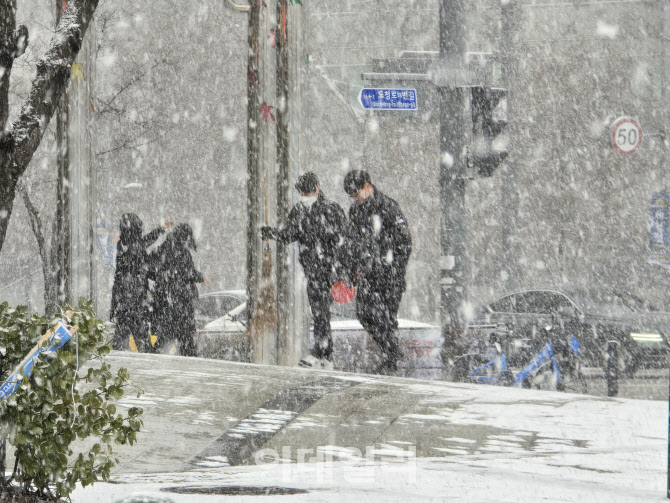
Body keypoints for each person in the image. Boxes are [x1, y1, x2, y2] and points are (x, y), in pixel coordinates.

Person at [261, 172, 348, 370]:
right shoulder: (299, 211)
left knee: (321, 312)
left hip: (328, 270)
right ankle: (324, 355)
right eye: (302, 193)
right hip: (312, 270)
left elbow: (343, 240)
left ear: (317, 189)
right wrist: (273, 233)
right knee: (319, 312)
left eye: (308, 192)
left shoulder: (331, 210)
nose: (305, 196)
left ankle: (321, 353)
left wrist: (339, 267)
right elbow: (289, 234)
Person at [343, 170, 412, 374]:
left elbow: (405, 242)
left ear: (367, 186)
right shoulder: (355, 212)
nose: (356, 199)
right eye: (352, 197)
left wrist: (391, 267)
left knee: (386, 318)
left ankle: (392, 362)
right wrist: (351, 268)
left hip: (390, 275)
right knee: (364, 313)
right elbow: (352, 243)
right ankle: (392, 352)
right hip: (368, 275)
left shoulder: (388, 207)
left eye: (357, 194)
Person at [110, 214, 172, 352]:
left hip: (123, 303)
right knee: (141, 340)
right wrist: (160, 230)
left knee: (121, 340)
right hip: (136, 302)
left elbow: (120, 277)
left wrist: (114, 305)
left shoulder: (122, 246)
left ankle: (118, 364)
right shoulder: (136, 247)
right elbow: (145, 243)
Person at [150, 223, 210, 357]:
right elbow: (186, 272)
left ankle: (155, 357)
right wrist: (200, 276)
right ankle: (190, 359)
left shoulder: (161, 249)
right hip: (180, 302)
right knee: (185, 338)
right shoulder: (181, 252)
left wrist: (161, 280)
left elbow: (149, 269)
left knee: (165, 337)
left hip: (166, 301)